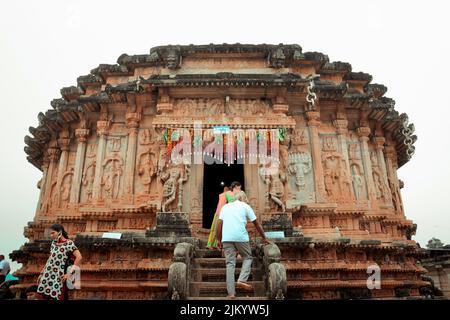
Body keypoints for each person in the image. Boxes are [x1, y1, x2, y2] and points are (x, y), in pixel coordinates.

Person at [216, 190, 271, 299]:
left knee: (230, 264)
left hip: (226, 238)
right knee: (247, 257)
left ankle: (231, 294)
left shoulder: (225, 207)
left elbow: (219, 224)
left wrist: (218, 239)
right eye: (246, 199)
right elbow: (257, 224)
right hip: (241, 237)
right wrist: (264, 238)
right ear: (242, 198)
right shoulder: (245, 206)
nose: (247, 200)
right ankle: (241, 280)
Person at [37, 224, 82, 300]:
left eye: (53, 233)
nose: (51, 235)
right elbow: (50, 259)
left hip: (59, 274)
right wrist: (42, 273)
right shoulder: (53, 243)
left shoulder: (69, 243)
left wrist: (69, 273)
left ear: (59, 232)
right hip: (48, 274)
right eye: (50, 233)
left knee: (58, 295)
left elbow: (79, 257)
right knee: (45, 295)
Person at [206, 181, 241, 249]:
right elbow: (223, 205)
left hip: (221, 213)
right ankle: (213, 244)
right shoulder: (226, 194)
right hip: (222, 213)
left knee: (218, 229)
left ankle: (214, 244)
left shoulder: (225, 195)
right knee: (218, 229)